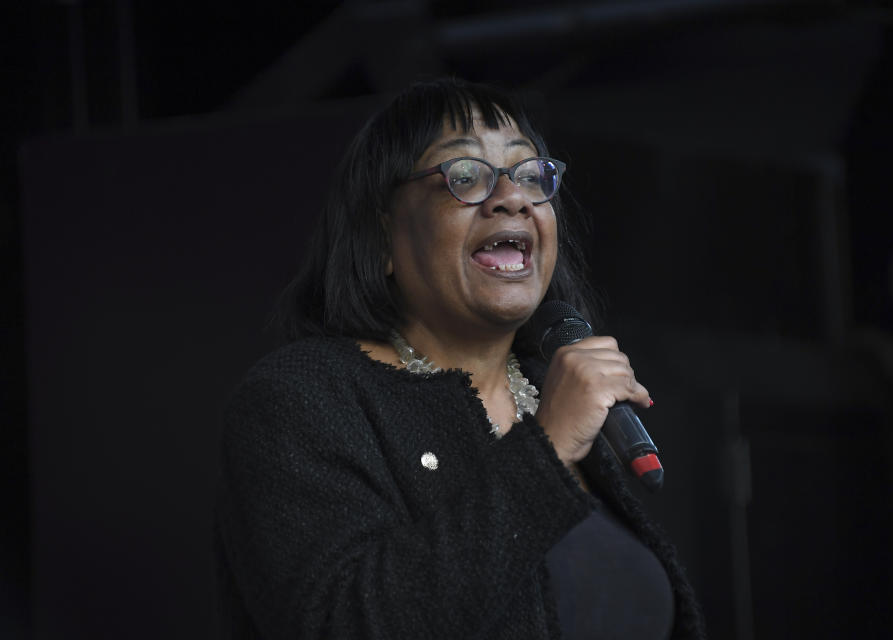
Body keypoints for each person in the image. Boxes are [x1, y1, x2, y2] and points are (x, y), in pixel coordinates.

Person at [215, 78, 706, 639]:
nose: (513, 196)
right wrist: (545, 452)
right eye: (465, 176)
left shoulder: (559, 395)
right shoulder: (300, 401)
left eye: (529, 174)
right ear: (382, 236)